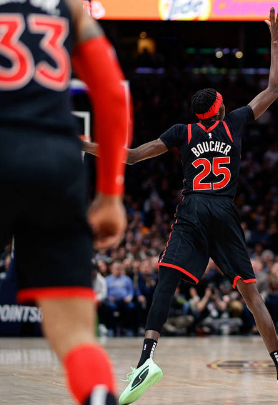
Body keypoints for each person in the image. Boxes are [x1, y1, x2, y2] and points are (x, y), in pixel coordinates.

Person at [83, 8, 278, 403]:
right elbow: (274, 88)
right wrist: (275, 42)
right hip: (225, 210)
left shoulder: (182, 132)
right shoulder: (234, 121)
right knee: (251, 294)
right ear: (218, 107)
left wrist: (84, 144)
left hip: (195, 208)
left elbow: (129, 156)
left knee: (167, 277)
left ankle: (146, 361)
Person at [0, 0, 129, 403]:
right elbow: (111, 93)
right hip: (54, 163)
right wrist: (110, 194)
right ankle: (96, 396)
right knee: (76, 337)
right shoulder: (69, 5)